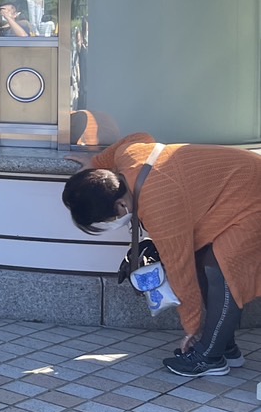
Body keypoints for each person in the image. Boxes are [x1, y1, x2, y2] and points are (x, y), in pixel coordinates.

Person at [62, 132, 261, 378]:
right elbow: (137, 137)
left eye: (107, 221)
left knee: (222, 270)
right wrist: (97, 163)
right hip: (240, 184)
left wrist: (192, 327)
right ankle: (223, 346)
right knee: (208, 262)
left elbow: (181, 271)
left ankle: (209, 357)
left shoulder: (158, 206)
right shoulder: (128, 159)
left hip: (253, 197)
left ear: (121, 207)